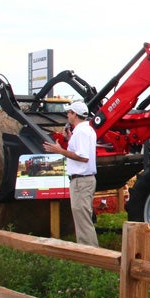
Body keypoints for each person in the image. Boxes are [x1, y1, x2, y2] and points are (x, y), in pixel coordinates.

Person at [43, 101, 98, 247]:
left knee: (83, 221)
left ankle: (91, 257)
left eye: (69, 112)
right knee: (83, 219)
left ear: (74, 114)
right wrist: (69, 140)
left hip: (81, 181)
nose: (67, 115)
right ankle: (91, 255)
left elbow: (83, 157)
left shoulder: (81, 132)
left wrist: (59, 151)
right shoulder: (86, 130)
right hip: (84, 180)